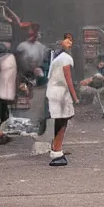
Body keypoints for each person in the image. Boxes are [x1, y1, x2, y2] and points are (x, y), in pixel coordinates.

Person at [46, 33, 79, 166]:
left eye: (71, 41)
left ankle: (56, 149)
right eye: (67, 40)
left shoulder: (56, 57)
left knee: (60, 122)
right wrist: (75, 97)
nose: (69, 43)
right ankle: (57, 153)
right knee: (62, 123)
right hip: (60, 94)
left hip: (55, 92)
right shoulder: (65, 58)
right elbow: (68, 78)